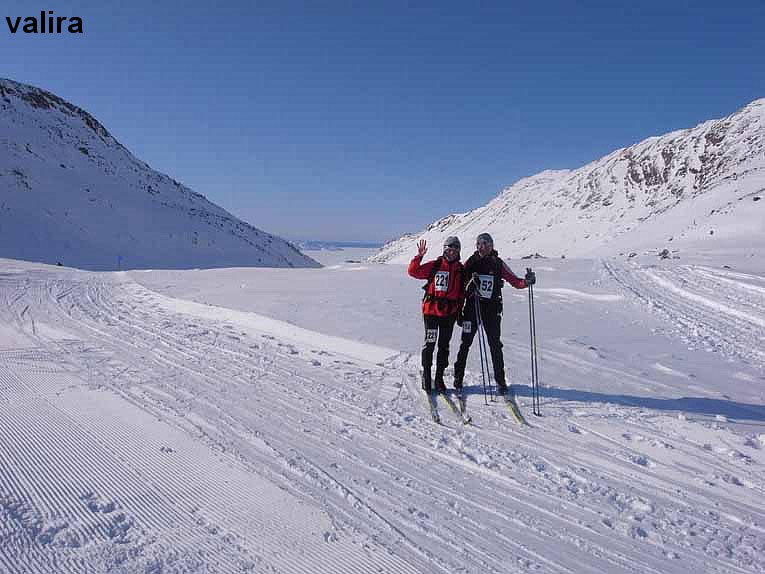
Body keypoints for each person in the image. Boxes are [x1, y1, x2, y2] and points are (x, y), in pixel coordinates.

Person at [453, 232, 536, 396]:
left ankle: (500, 380)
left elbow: (514, 281)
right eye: (480, 244)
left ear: (492, 246)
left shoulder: (498, 263)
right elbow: (460, 288)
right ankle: (458, 377)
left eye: (486, 244)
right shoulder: (470, 263)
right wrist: (459, 311)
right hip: (472, 308)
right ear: (476, 246)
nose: (483, 247)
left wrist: (526, 282)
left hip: (492, 310)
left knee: (495, 345)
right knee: (465, 344)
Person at [408, 236, 465, 394]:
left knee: (444, 346)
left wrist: (460, 312)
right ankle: (427, 375)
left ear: (458, 252)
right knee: (430, 344)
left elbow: (461, 294)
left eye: (455, 250)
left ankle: (439, 377)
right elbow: (413, 271)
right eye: (449, 249)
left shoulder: (461, 269)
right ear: (444, 250)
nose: (452, 252)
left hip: (449, 314)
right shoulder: (436, 265)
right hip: (431, 312)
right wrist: (419, 257)